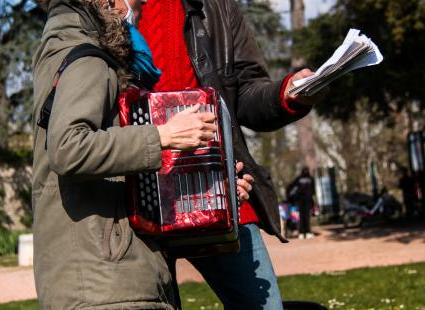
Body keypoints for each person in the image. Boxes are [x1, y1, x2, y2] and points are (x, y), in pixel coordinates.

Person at [32, 0, 254, 308]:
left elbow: (122, 175)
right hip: (105, 280)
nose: (142, 5)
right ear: (109, 2)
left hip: (113, 272)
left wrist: (215, 191)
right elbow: (69, 148)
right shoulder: (88, 57)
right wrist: (164, 135)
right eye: (137, 0)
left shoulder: (84, 52)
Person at [137, 1, 326, 309]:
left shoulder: (218, 6)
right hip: (135, 200)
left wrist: (287, 95)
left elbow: (246, 95)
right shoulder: (108, 7)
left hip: (220, 192)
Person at [288, 167, 316, 240]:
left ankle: (303, 233)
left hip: (301, 200)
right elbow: (313, 191)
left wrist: (292, 197)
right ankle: (306, 233)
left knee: (302, 217)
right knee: (305, 216)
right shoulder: (310, 179)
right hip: (305, 200)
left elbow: (290, 187)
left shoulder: (299, 179)